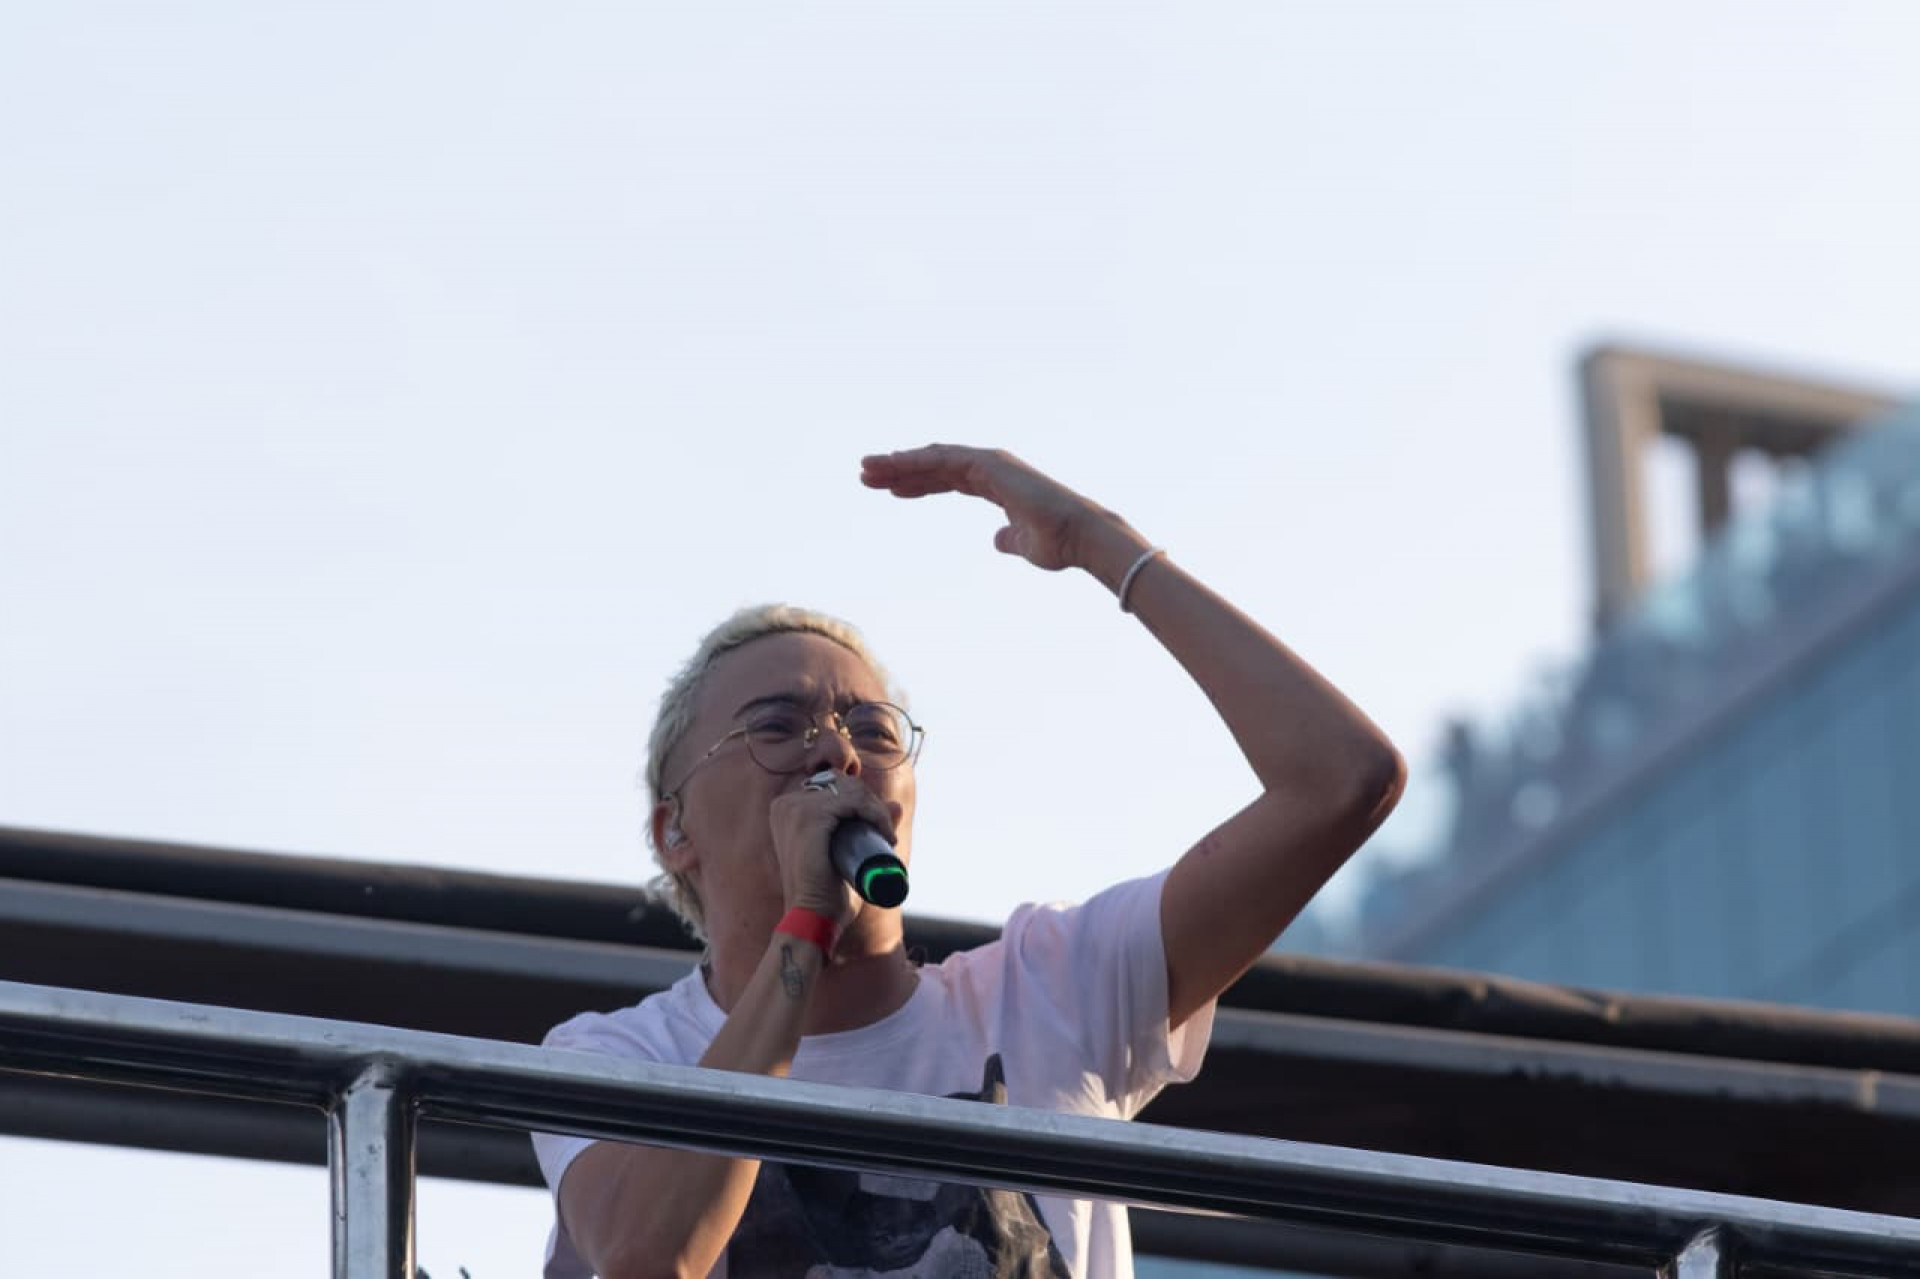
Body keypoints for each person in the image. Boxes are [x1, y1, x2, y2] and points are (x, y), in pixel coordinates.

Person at [532, 444, 1406, 1279]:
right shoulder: (617, 1057)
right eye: (775, 726)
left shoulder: (1054, 991)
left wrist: (1102, 544)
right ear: (671, 829)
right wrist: (804, 928)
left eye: (871, 730)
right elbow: (651, 1258)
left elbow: (1343, 780)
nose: (834, 752)